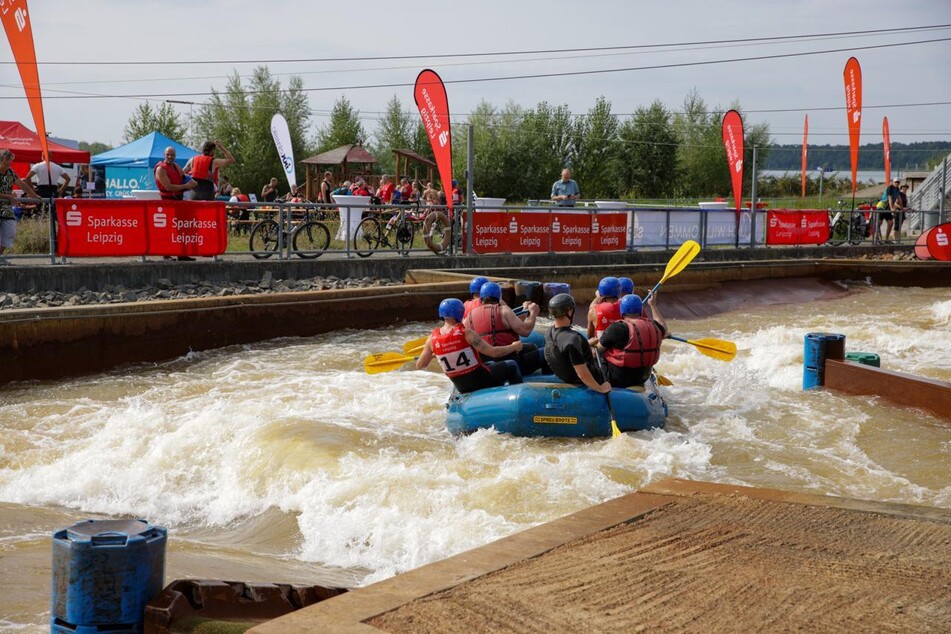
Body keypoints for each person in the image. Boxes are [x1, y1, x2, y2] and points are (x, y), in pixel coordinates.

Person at [416, 298, 524, 394]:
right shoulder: (466, 333)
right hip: (480, 381)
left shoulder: (431, 339)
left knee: (489, 364)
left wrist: (435, 354)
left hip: (461, 387)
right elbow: (494, 352)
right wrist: (513, 347)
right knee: (511, 365)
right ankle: (516, 397)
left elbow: (420, 365)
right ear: (459, 313)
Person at [464, 282, 547, 376]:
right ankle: (548, 380)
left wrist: (524, 310)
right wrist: (533, 314)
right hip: (509, 361)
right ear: (499, 297)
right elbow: (525, 331)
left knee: (531, 347)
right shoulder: (503, 310)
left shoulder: (468, 317)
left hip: (486, 365)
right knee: (546, 352)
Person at [543, 293, 611, 394]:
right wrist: (601, 388)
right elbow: (582, 374)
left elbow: (564, 350)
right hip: (585, 380)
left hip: (567, 376)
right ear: (570, 312)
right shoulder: (573, 339)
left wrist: (586, 344)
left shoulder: (549, 333)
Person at [597, 294, 667, 388]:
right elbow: (664, 329)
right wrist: (653, 305)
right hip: (642, 377)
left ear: (622, 310)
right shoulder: (655, 326)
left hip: (618, 378)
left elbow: (597, 351)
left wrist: (590, 344)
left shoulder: (618, 328)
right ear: (641, 311)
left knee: (594, 355)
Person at [0, 149, 39, 264]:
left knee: (10, 234)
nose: (9, 163)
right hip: (5, 204)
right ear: (2, 160)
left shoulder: (10, 172)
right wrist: (9, 196)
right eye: (8, 161)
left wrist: (34, 194)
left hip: (6, 209)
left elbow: (21, 183)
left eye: (10, 161)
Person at [587, 276, 622, 340]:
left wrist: (598, 297)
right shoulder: (626, 307)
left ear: (601, 293)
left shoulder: (593, 311)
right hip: (623, 349)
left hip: (601, 349)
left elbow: (590, 337)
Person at [876, 178, 901, 242]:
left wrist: (902, 208)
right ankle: (876, 237)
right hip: (882, 207)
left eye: (898, 182)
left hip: (888, 208)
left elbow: (899, 199)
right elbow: (890, 198)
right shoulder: (890, 188)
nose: (897, 183)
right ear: (893, 182)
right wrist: (892, 208)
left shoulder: (897, 189)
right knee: (879, 222)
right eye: (896, 182)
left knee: (890, 223)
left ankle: (886, 239)